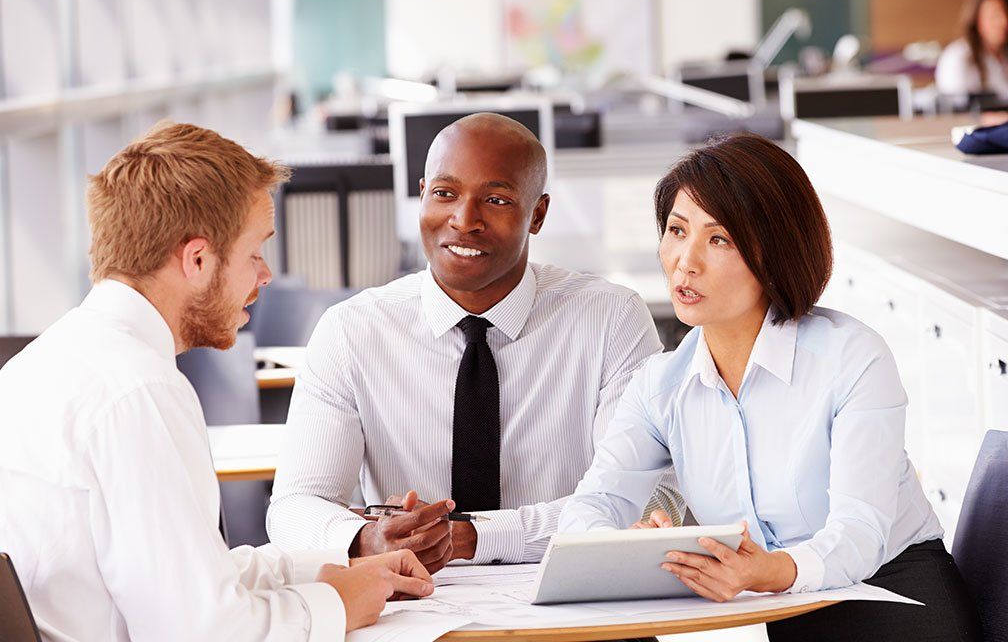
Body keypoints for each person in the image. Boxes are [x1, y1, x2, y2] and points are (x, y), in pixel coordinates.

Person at [0, 122, 436, 642]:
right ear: (198, 259)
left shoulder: (45, 362)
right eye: (255, 253)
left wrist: (344, 557)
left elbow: (191, 578)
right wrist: (338, 604)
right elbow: (201, 631)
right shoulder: (140, 391)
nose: (265, 275)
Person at [558, 133, 980, 641]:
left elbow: (859, 535)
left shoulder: (851, 357)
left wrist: (764, 571)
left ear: (775, 252)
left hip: (891, 601)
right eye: (676, 230)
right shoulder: (660, 385)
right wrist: (619, 546)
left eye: (720, 239)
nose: (684, 261)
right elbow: (589, 507)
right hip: (778, 614)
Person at [267, 112, 664, 569]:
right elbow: (294, 507)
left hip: (578, 602)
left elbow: (640, 499)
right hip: (418, 609)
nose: (463, 219)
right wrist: (363, 538)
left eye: (495, 199)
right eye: (444, 193)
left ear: (537, 215)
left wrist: (475, 538)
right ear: (421, 195)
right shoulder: (352, 331)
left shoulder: (610, 320)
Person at [935, 0, 1008, 102]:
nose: (1003, 23)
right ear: (976, 19)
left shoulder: (1003, 56)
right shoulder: (957, 57)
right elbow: (956, 110)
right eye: (995, 16)